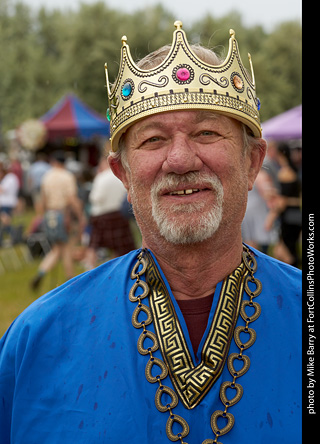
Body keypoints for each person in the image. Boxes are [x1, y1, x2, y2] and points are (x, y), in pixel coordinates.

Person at [0, 22, 301, 444]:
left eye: (206, 132)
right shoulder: (40, 339)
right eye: (153, 140)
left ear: (253, 163)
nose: (179, 160)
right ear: (122, 173)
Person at [30, 151, 85, 290]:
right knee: (66, 248)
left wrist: (41, 215)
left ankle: (41, 272)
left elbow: (41, 200)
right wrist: (80, 216)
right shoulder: (67, 176)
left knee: (57, 249)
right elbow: (71, 198)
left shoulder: (46, 176)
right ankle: (70, 281)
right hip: (62, 215)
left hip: (49, 215)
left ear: (54, 162)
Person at [83, 153, 136, 269]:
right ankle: (116, 268)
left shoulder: (101, 177)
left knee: (93, 245)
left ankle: (89, 267)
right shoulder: (121, 176)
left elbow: (95, 198)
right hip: (118, 215)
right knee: (119, 246)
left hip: (101, 216)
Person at [0, 157, 20, 245]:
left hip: (6, 202)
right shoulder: (10, 178)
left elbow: (3, 190)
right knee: (5, 220)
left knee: (5, 219)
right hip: (6, 202)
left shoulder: (10, 178)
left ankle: (13, 234)